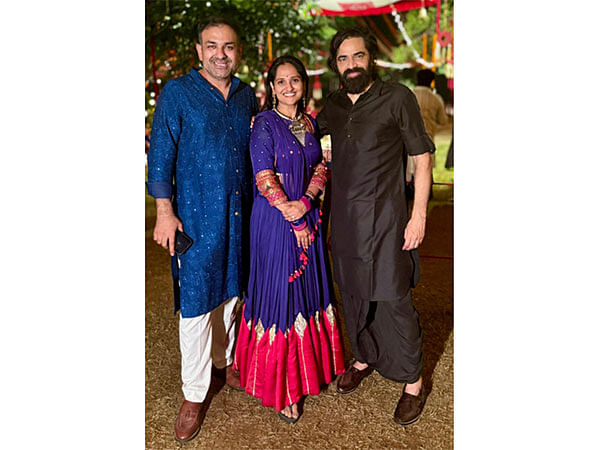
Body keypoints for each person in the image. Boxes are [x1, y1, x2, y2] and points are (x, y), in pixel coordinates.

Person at [146, 17, 258, 443]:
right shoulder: (177, 93)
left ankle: (224, 364)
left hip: (238, 214)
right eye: (212, 46)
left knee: (231, 296)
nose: (220, 54)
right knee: (194, 307)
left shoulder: (247, 95)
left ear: (238, 51)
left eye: (228, 47)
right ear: (198, 51)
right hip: (194, 217)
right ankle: (194, 395)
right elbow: (161, 156)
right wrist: (164, 211)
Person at [316, 28, 435, 426]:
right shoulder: (331, 105)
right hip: (346, 222)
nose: (352, 65)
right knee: (351, 294)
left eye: (358, 56)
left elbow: (422, 158)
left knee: (393, 298)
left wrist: (418, 216)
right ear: (336, 65)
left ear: (372, 59)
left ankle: (413, 381)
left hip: (387, 220)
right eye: (344, 59)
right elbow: (304, 134)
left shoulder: (397, 97)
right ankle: (364, 356)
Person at [234, 55, 345, 424]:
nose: (288, 87)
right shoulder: (263, 124)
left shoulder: (310, 122)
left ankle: (308, 373)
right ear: (272, 87)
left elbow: (321, 166)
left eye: (294, 80)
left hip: (307, 214)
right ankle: (283, 390)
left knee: (307, 295)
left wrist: (308, 202)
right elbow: (264, 177)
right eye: (280, 81)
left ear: (303, 84)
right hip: (276, 221)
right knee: (280, 298)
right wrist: (293, 216)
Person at [406, 69, 448, 197]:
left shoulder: (408, 96)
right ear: (431, 81)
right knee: (426, 171)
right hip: (427, 141)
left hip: (407, 141)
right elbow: (443, 120)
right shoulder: (435, 99)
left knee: (409, 172)